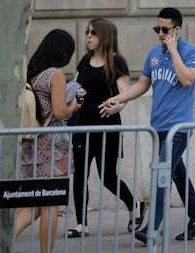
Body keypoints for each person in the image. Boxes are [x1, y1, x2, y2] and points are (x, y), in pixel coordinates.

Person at [100, 7, 195, 244]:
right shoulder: (153, 54)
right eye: (157, 28)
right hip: (158, 127)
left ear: (177, 30)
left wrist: (173, 50)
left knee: (161, 174)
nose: (160, 33)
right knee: (177, 174)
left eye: (165, 29)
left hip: (178, 129)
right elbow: (142, 85)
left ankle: (152, 229)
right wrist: (118, 99)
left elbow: (188, 79)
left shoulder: (191, 51)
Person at [66, 18, 147, 238]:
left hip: (107, 127)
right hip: (82, 126)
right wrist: (75, 91)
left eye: (93, 33)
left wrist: (116, 107)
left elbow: (125, 93)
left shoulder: (116, 62)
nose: (89, 36)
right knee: (80, 174)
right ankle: (81, 224)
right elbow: (73, 85)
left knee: (108, 177)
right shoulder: (84, 60)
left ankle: (134, 206)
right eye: (87, 32)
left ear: (105, 36)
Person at [16, 29, 80, 253]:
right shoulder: (56, 75)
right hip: (54, 146)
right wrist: (75, 106)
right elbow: (61, 112)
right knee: (51, 204)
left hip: (31, 143)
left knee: (35, 203)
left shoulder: (32, 73)